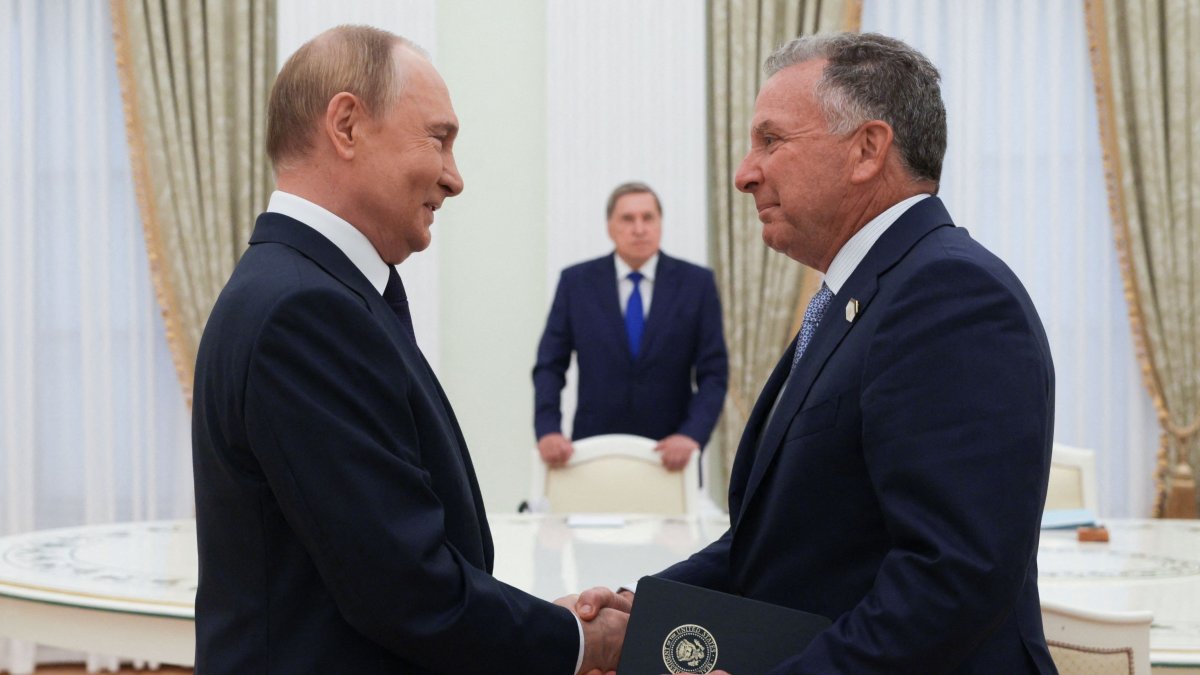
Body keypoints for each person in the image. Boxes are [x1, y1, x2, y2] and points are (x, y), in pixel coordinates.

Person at [580, 32, 1058, 673]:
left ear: (867, 149)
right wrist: (648, 611)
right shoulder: (861, 295)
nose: (745, 173)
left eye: (771, 141)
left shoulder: (950, 296)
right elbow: (786, 543)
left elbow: (952, 578)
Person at [191, 26, 625, 673]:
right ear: (346, 125)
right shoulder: (304, 311)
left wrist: (545, 623)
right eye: (439, 138)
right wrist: (577, 640)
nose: (454, 178)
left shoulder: (311, 288)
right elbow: (402, 586)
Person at [533, 182, 728, 471]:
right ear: (610, 227)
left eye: (648, 218)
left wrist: (692, 435)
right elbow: (550, 365)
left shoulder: (696, 284)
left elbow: (714, 373)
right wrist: (548, 428)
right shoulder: (576, 283)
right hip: (593, 452)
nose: (639, 228)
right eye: (628, 219)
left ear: (660, 224)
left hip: (671, 455)